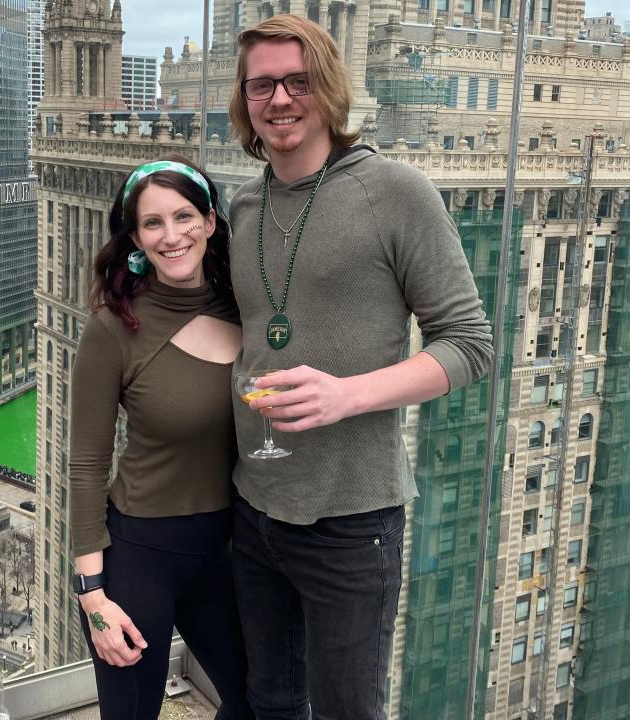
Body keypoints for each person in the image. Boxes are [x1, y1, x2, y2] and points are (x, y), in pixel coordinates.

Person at [226, 15, 495, 720]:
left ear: (329, 89)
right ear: (245, 100)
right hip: (254, 510)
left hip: (352, 520)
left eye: (297, 81)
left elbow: (469, 343)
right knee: (271, 700)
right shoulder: (245, 204)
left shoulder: (397, 192)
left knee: (349, 709)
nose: (279, 99)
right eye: (262, 85)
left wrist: (347, 395)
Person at [68, 156, 254, 720]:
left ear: (211, 222)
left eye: (183, 216)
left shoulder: (247, 309)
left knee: (262, 702)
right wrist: (93, 594)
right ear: (134, 237)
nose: (171, 236)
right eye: (152, 223)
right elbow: (85, 466)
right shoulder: (113, 328)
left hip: (227, 551)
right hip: (139, 557)